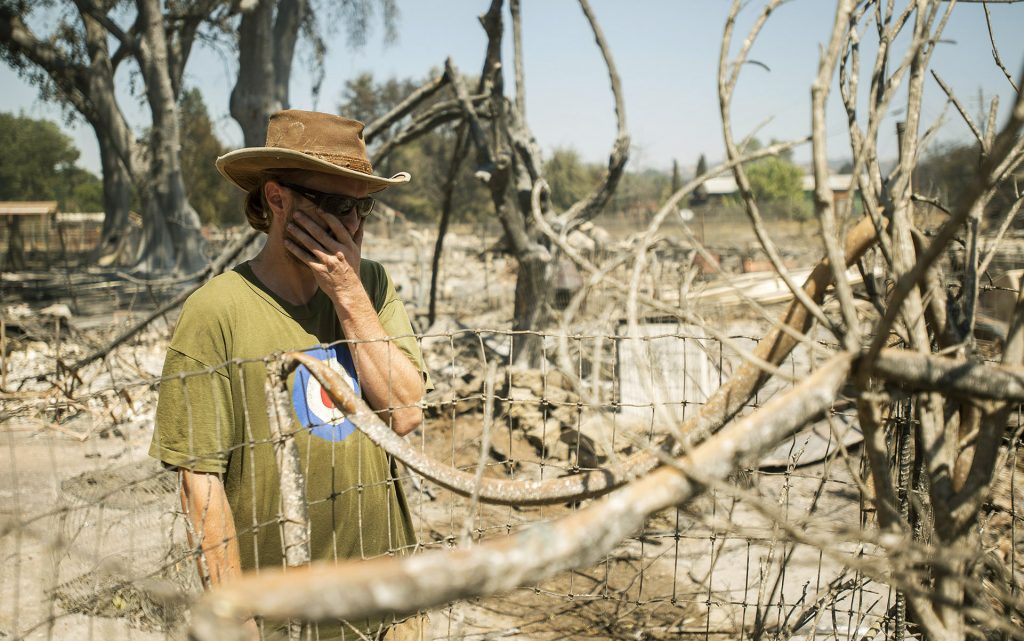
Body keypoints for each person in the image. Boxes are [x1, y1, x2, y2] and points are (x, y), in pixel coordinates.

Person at [149, 110, 430, 640]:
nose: (352, 226)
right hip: (286, 618)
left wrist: (348, 296)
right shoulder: (216, 311)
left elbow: (407, 411)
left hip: (388, 604)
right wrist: (236, 617)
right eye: (336, 205)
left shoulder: (370, 285)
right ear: (277, 200)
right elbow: (199, 480)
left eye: (362, 206)